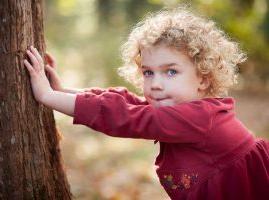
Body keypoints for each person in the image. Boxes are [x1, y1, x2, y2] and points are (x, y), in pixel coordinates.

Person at [23, 7, 269, 200]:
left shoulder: (199, 118)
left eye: (171, 72)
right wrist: (63, 91)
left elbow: (126, 117)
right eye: (149, 73)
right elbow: (127, 102)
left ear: (203, 79)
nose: (156, 84)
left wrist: (48, 97)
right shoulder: (184, 109)